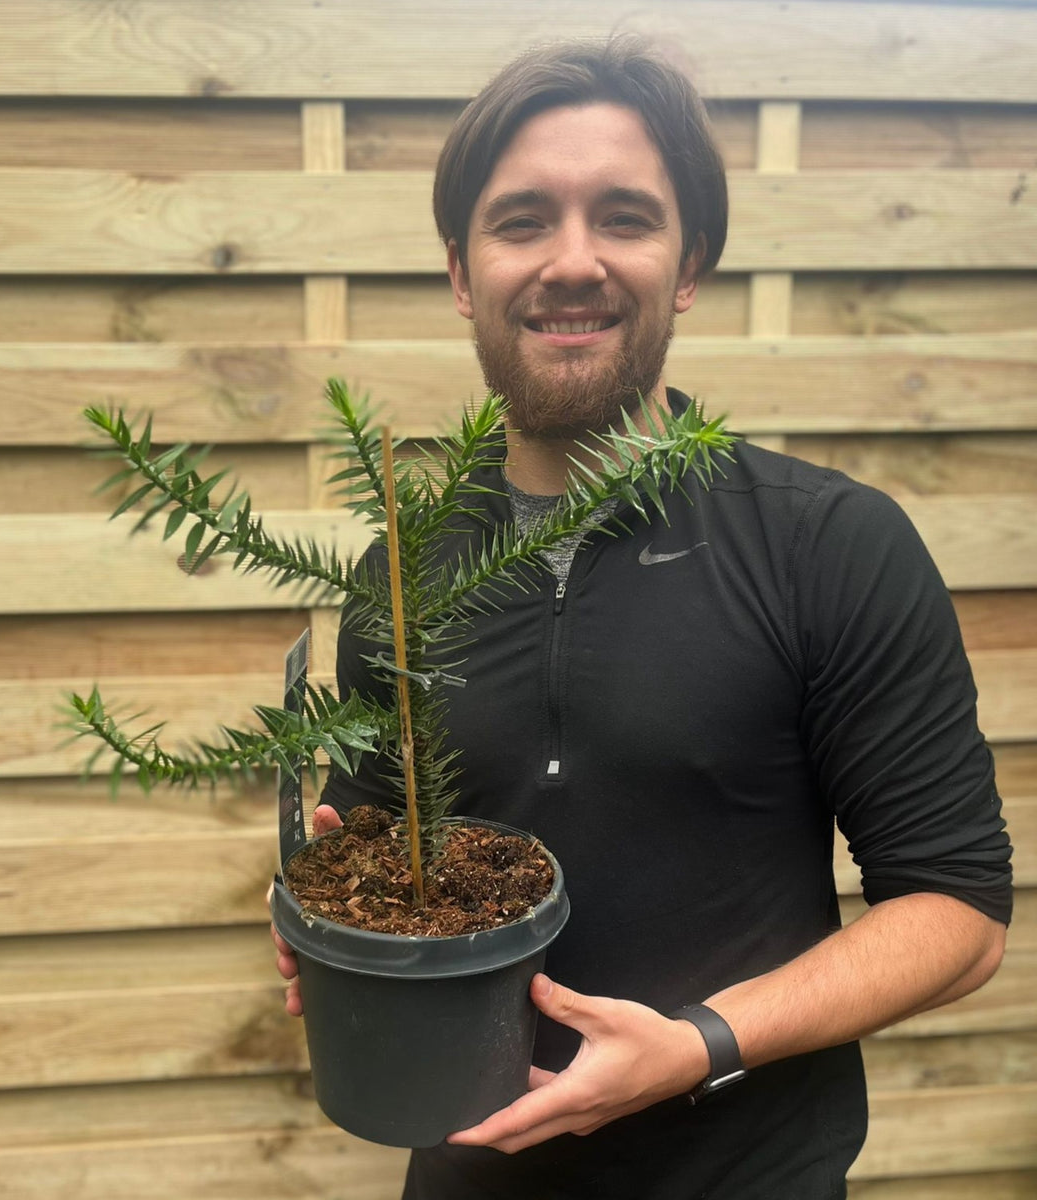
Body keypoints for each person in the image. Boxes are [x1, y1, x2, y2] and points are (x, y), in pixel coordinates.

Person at [272, 36, 1012, 1199]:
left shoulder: (828, 544)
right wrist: (334, 916)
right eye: (522, 221)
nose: (574, 261)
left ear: (689, 263)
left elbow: (958, 911)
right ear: (462, 272)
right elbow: (371, 834)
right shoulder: (405, 574)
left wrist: (699, 1046)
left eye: (624, 216)